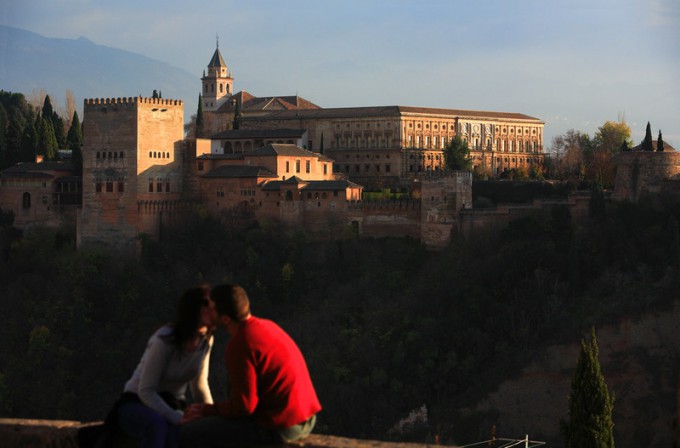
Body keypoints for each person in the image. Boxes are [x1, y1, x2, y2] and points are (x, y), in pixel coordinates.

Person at [180, 284, 321, 448]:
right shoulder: (267, 326)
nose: (207, 312)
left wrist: (207, 411)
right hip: (305, 418)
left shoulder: (241, 344)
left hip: (282, 426)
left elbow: (244, 407)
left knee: (188, 434)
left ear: (225, 318)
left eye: (211, 308)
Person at [107, 286, 216, 448]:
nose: (212, 308)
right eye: (206, 303)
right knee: (157, 426)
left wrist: (211, 414)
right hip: (136, 403)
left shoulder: (206, 341)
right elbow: (145, 390)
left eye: (214, 304)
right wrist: (176, 417)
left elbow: (199, 385)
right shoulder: (164, 340)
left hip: (173, 403)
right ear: (193, 308)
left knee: (180, 434)